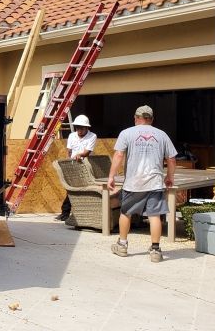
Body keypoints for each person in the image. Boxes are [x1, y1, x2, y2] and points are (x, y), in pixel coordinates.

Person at [108, 105, 177, 263]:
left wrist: (111, 176)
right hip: (155, 182)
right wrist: (169, 177)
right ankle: (155, 250)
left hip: (134, 182)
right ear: (151, 119)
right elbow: (171, 159)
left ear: (135, 118)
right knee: (154, 215)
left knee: (126, 212)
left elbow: (119, 155)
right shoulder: (162, 135)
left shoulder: (126, 133)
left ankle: (122, 245)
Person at [55, 114, 97, 221]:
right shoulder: (72, 136)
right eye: (77, 127)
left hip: (86, 166)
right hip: (73, 166)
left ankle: (79, 213)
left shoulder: (92, 136)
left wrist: (80, 155)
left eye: (81, 128)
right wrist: (68, 162)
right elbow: (69, 151)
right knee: (71, 189)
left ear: (87, 128)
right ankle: (65, 212)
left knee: (85, 191)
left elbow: (87, 152)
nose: (79, 130)